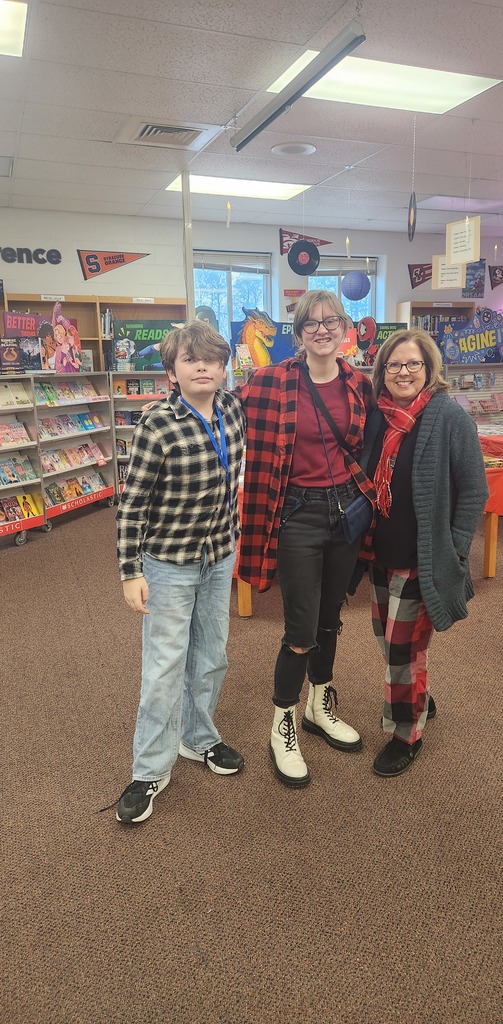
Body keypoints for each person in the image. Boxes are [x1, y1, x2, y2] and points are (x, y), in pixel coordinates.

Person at [235, 290, 375, 788]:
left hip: (346, 512)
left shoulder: (359, 383)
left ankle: (319, 704)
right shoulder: (271, 381)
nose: (322, 330)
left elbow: (373, 442)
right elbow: (225, 412)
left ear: (344, 329)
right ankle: (283, 725)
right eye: (311, 323)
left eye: (330, 321)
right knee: (300, 629)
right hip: (296, 512)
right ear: (298, 334)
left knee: (330, 617)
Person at [113, 321, 246, 824]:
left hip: (219, 555)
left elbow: (232, 480)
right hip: (168, 562)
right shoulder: (157, 424)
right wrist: (130, 571)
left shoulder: (232, 409)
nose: (202, 367)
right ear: (172, 371)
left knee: (211, 655)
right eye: (191, 359)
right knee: (164, 667)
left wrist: (232, 537)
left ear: (224, 367)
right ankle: (149, 769)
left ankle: (198, 737)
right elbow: (132, 504)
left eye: (211, 359)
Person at [349, 327, 488, 777]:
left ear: (429, 368)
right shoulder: (378, 416)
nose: (403, 372)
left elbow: (474, 489)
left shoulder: (449, 417)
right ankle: (417, 695)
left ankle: (406, 734)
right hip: (379, 552)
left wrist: (456, 548)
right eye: (394, 365)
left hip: (421, 559)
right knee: (385, 639)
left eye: (413, 364)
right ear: (382, 371)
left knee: (401, 651)